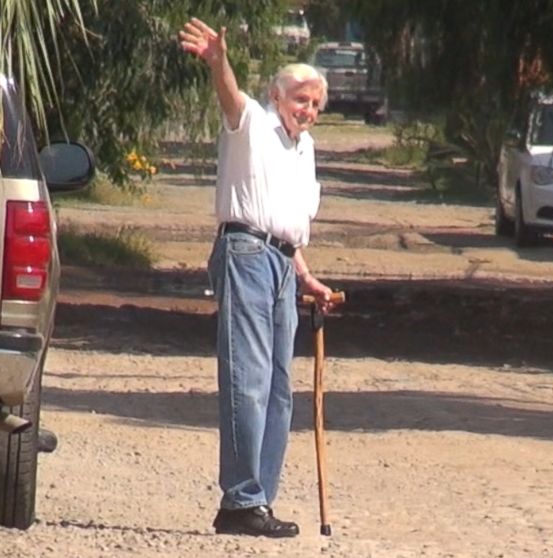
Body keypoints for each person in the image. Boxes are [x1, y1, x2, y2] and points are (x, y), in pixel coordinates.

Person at [179, 17, 336, 538]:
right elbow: (229, 96)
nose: (307, 110)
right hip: (244, 251)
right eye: (300, 99)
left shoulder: (305, 148)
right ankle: (241, 500)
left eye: (315, 103)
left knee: (279, 388)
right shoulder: (252, 122)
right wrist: (218, 61)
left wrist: (305, 274)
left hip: (282, 262)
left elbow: (289, 223)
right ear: (277, 95)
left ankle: (258, 500)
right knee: (248, 380)